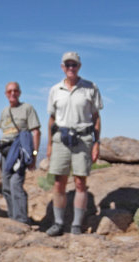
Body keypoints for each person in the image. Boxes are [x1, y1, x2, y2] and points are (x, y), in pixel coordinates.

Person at [46, 52, 103, 236]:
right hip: (61, 139)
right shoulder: (55, 90)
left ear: (79, 66)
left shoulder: (90, 87)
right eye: (67, 65)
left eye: (74, 65)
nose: (71, 68)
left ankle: (77, 225)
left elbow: (96, 118)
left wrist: (96, 144)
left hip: (83, 138)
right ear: (62, 67)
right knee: (59, 183)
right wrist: (49, 145)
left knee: (80, 182)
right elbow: (52, 118)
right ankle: (59, 223)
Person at [0, 82, 41, 224]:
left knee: (16, 183)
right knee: (6, 186)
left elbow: (36, 132)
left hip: (19, 152)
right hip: (6, 153)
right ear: (5, 94)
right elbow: (4, 132)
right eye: (9, 91)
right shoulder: (4, 111)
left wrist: (33, 155)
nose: (12, 93)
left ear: (20, 93)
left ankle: (21, 219)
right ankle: (12, 217)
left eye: (15, 91)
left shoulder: (27, 108)